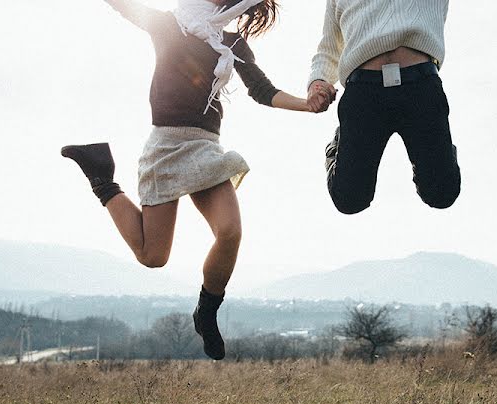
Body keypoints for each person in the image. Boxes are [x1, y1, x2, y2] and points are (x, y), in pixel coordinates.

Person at [62, 0, 311, 360]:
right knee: (152, 256)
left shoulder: (232, 43)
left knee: (230, 232)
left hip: (205, 148)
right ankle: (101, 176)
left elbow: (262, 90)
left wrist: (308, 104)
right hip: (165, 145)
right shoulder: (167, 25)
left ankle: (206, 311)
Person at [307, 0, 462, 215]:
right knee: (349, 200)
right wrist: (319, 81)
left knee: (442, 193)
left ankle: (443, 150)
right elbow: (329, 47)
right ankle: (338, 146)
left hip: (420, 85)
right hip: (363, 91)